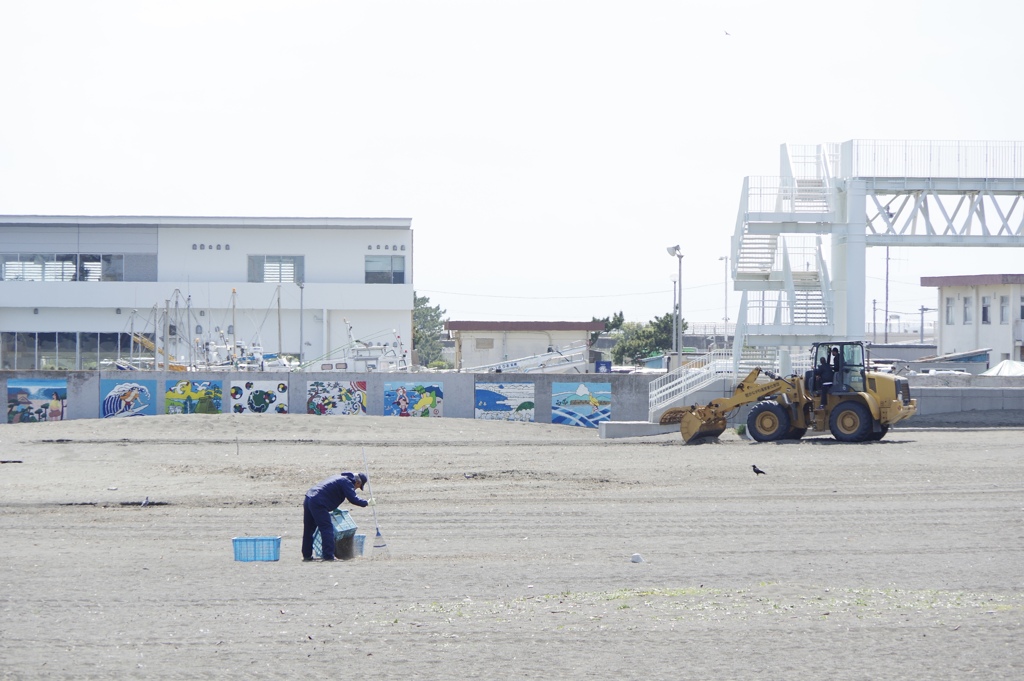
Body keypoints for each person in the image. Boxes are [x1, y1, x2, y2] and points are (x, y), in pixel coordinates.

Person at [301, 471, 370, 562]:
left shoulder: (339, 477)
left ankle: (307, 555)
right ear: (357, 482)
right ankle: (329, 556)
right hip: (318, 502)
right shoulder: (347, 482)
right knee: (326, 528)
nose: (356, 488)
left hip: (309, 497)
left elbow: (330, 492)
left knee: (308, 529)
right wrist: (367, 503)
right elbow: (353, 499)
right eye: (358, 487)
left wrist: (335, 508)